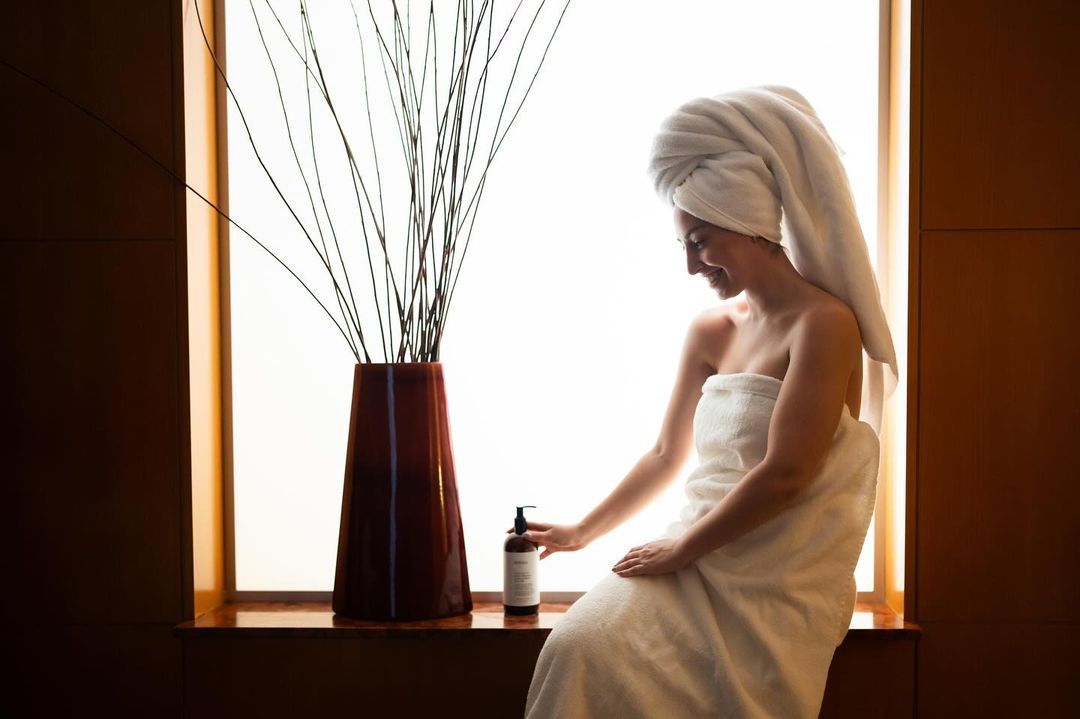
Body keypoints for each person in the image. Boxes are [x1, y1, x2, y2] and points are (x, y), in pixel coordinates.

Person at [519, 86, 898, 718]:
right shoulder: (711, 330)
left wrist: (682, 549)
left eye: (702, 241)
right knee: (579, 645)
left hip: (771, 567)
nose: (693, 266)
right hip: (697, 543)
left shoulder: (825, 325)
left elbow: (787, 474)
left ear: (751, 225)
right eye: (684, 245)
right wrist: (584, 530)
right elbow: (668, 453)